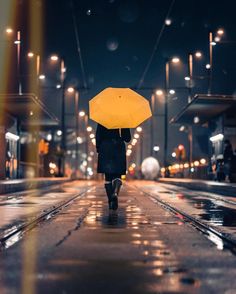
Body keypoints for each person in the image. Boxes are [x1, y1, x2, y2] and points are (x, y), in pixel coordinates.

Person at [95, 123, 131, 210]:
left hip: (105, 147)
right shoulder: (122, 119)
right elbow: (127, 138)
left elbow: (98, 136)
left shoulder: (102, 118)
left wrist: (98, 148)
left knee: (108, 177)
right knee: (117, 175)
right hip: (118, 147)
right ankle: (115, 193)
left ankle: (111, 200)